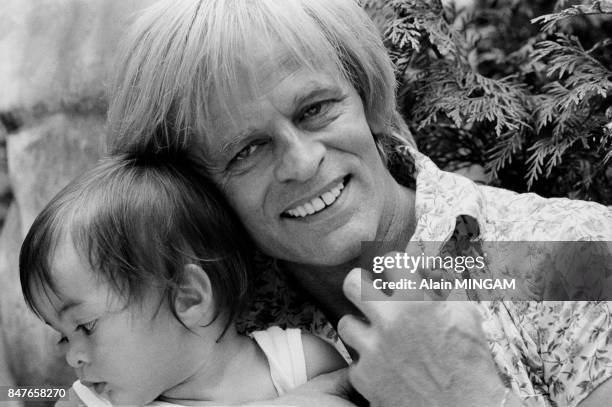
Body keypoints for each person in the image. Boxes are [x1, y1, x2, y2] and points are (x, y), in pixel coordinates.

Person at [106, 0, 612, 405]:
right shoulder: (196, 322)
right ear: (195, 189)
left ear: (367, 97)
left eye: (315, 110)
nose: (302, 163)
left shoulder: (579, 256)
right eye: (247, 149)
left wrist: (464, 396)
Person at [19, 153, 347, 407]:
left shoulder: (300, 364)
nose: (72, 357)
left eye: (86, 326)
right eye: (63, 337)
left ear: (188, 296)